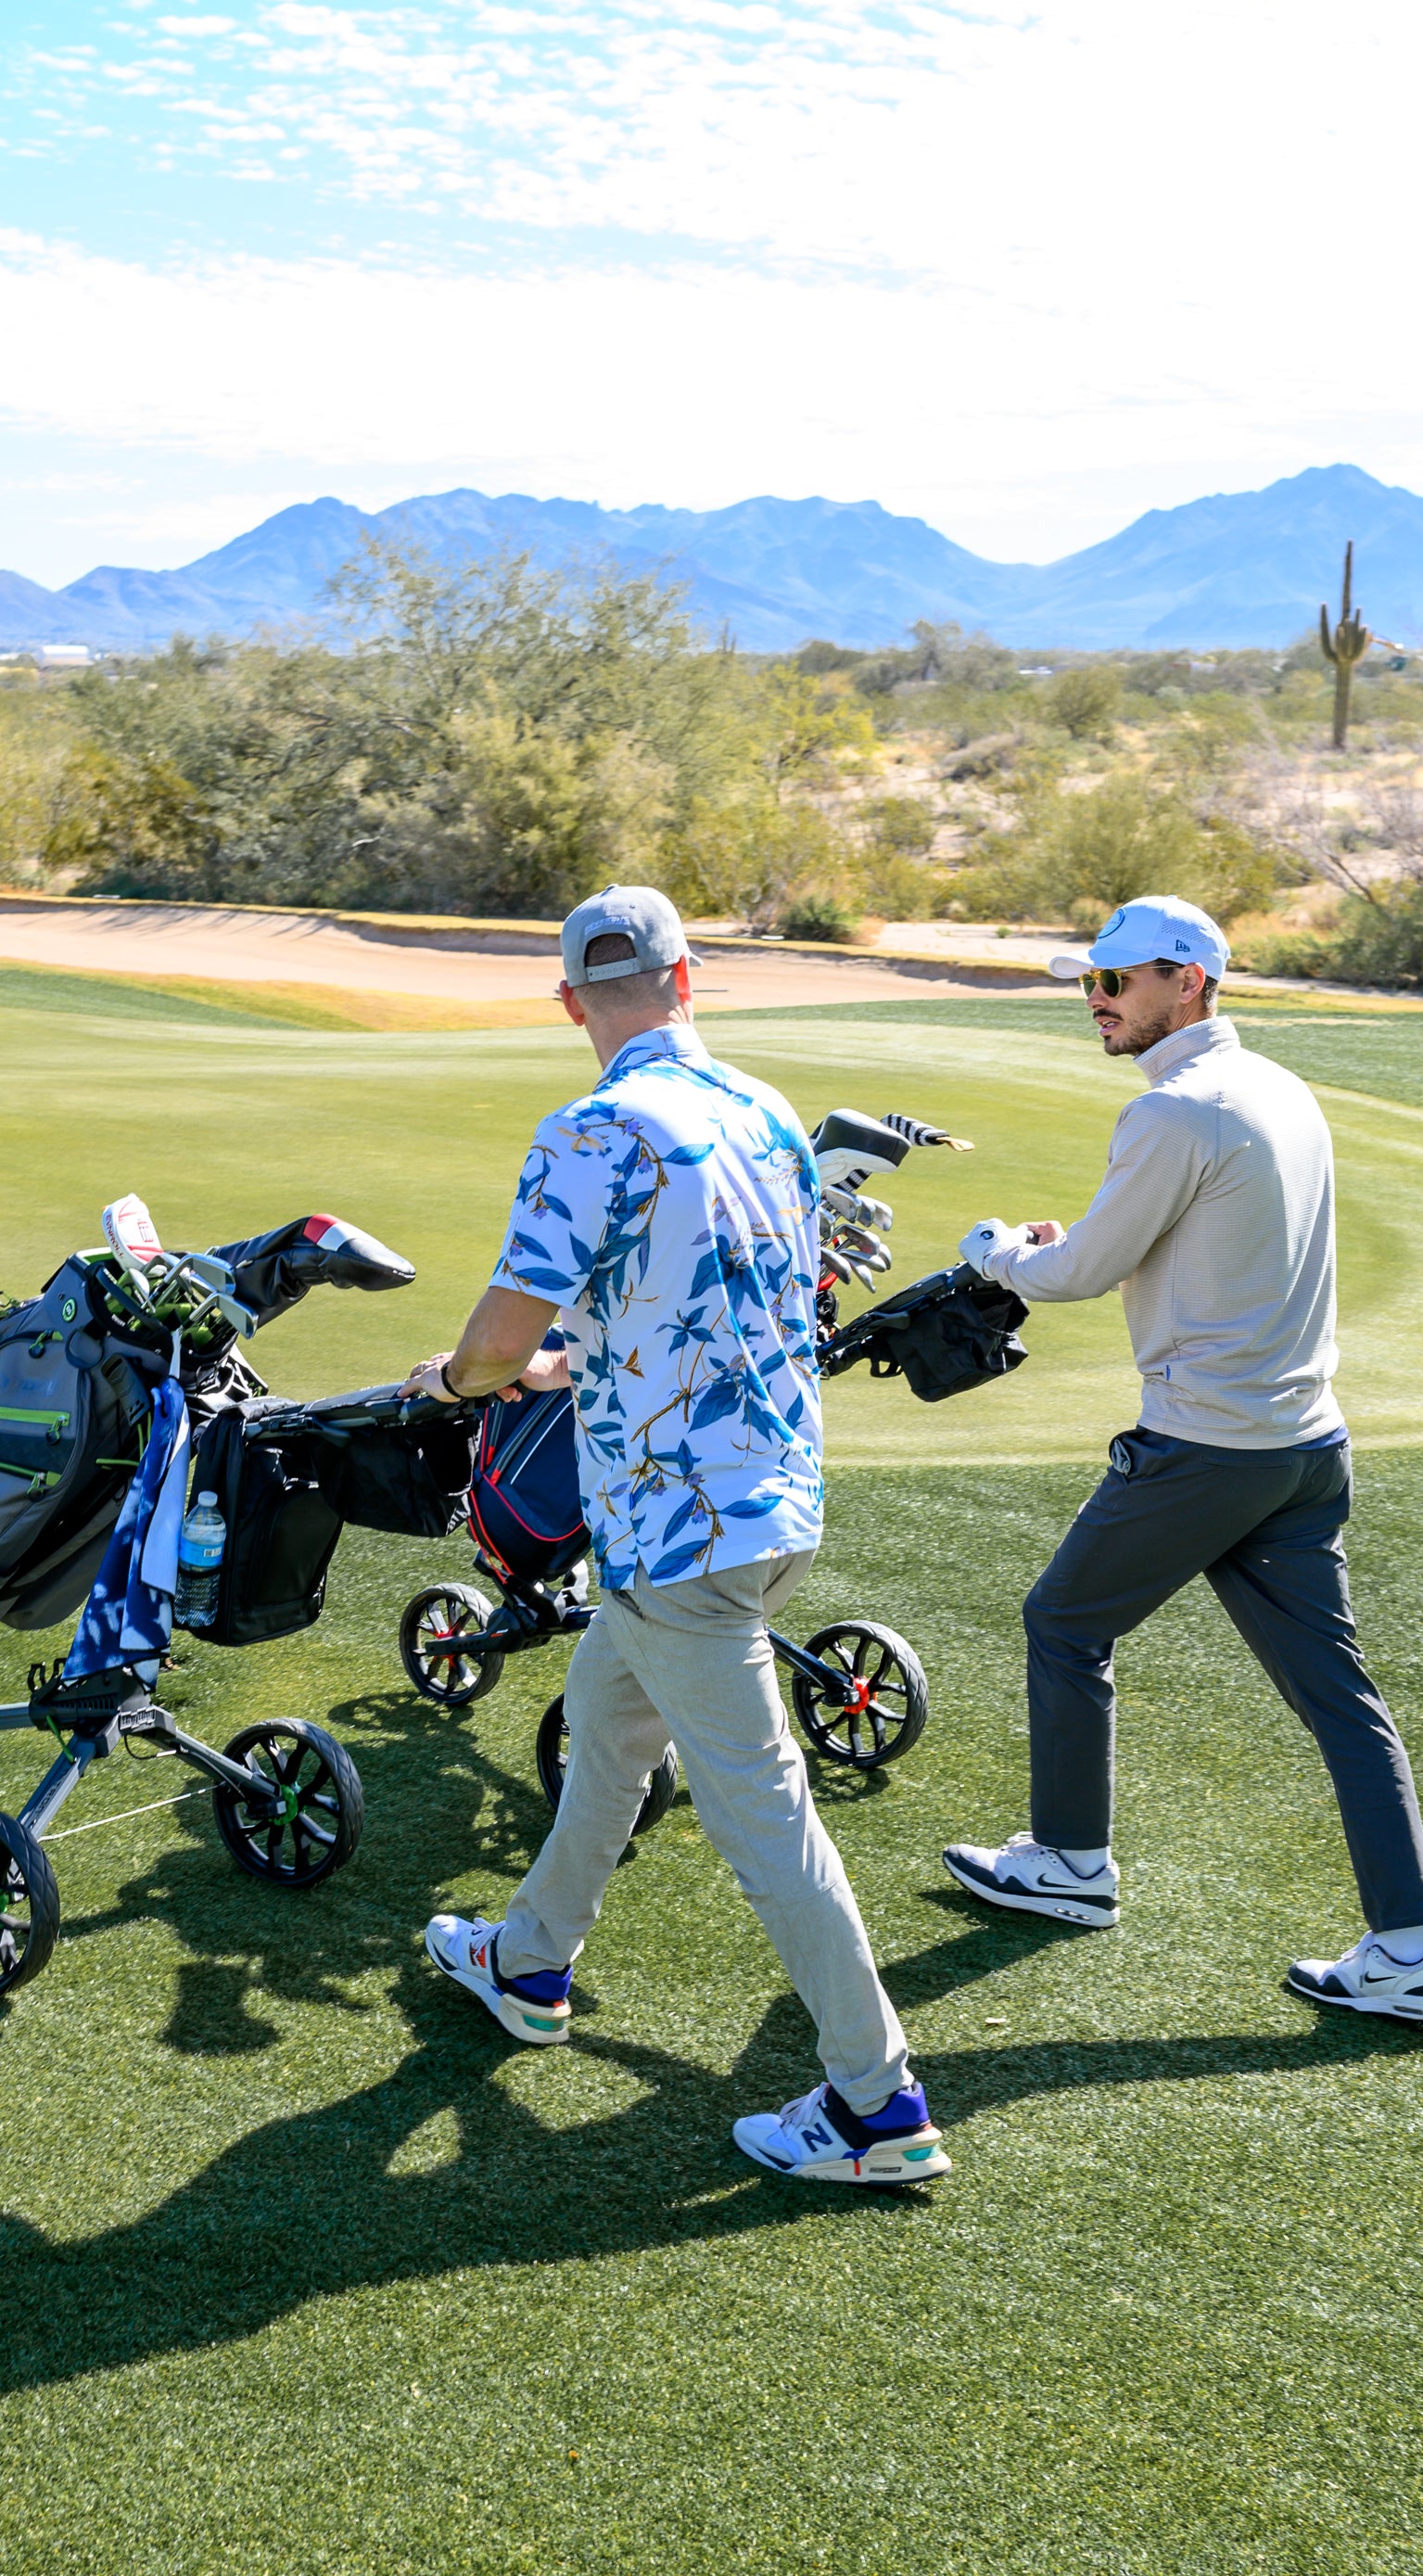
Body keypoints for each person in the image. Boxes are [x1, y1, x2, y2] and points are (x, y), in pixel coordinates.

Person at [407, 884, 949, 2187]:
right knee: (605, 1730)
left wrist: (464, 1381)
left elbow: (490, 1338)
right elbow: (688, 1292)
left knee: (767, 1821)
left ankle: (879, 2110)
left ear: (570, 1001)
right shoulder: (764, 1110)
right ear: (688, 978)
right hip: (775, 1506)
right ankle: (528, 1961)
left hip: (676, 1534)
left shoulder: (592, 1128)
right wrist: (558, 1365)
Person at [940, 896, 1423, 2022]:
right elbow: (1158, 1245)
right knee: (1341, 1699)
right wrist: (1063, 1250)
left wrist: (996, 1251)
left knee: (1063, 1621)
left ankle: (1073, 1864)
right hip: (1305, 1448)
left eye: (1117, 984)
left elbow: (1079, 1273)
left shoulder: (1175, 1112)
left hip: (1206, 1449)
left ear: (1188, 982)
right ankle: (1409, 1949)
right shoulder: (1278, 1088)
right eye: (1090, 983)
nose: (1096, 1002)